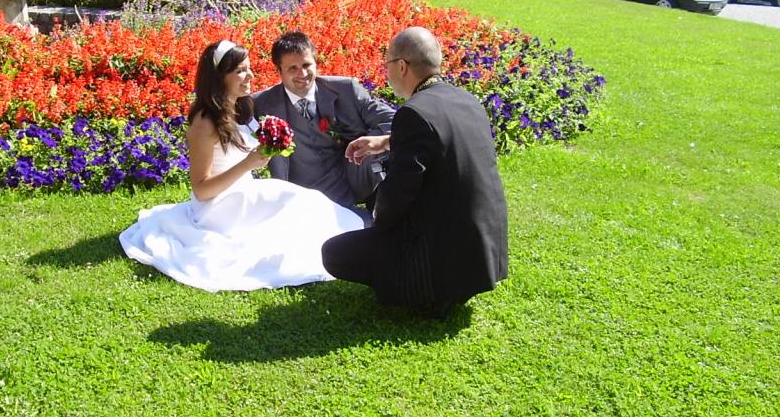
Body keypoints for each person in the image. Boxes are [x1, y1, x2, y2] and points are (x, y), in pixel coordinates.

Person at [119, 40, 363, 292]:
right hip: (220, 207)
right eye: (241, 71)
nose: (251, 76)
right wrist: (248, 164)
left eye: (249, 68)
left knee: (309, 202)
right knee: (295, 207)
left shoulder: (239, 107)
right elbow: (201, 190)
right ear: (219, 77)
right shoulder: (204, 123)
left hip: (244, 192)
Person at [321, 26, 508, 318]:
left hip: (443, 257)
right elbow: (442, 139)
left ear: (402, 66)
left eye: (387, 65)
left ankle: (425, 293)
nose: (386, 73)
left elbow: (398, 194)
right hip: (483, 254)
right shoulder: (466, 100)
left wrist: (378, 224)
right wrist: (387, 142)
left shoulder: (413, 112)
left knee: (334, 252)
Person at [253, 32, 395, 212]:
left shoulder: (346, 90)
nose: (302, 74)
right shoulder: (261, 104)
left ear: (316, 62)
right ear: (279, 71)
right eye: (292, 68)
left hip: (349, 185)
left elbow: (395, 120)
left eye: (306, 65)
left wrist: (380, 142)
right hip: (299, 198)